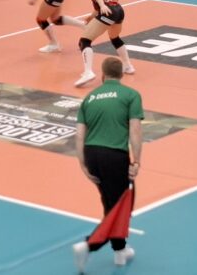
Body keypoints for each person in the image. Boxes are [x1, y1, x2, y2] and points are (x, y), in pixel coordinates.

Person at [71, 56, 142, 272]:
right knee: (123, 205)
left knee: (111, 203)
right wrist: (136, 161)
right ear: (121, 74)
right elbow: (135, 130)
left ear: (102, 75)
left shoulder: (89, 98)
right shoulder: (131, 95)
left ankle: (120, 251)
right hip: (114, 156)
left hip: (92, 155)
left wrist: (83, 164)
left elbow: (79, 135)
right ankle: (89, 245)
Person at [75, 0, 136, 87]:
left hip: (108, 10)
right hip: (118, 9)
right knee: (115, 38)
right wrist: (92, 16)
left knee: (84, 41)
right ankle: (128, 66)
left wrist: (102, 6)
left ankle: (88, 72)